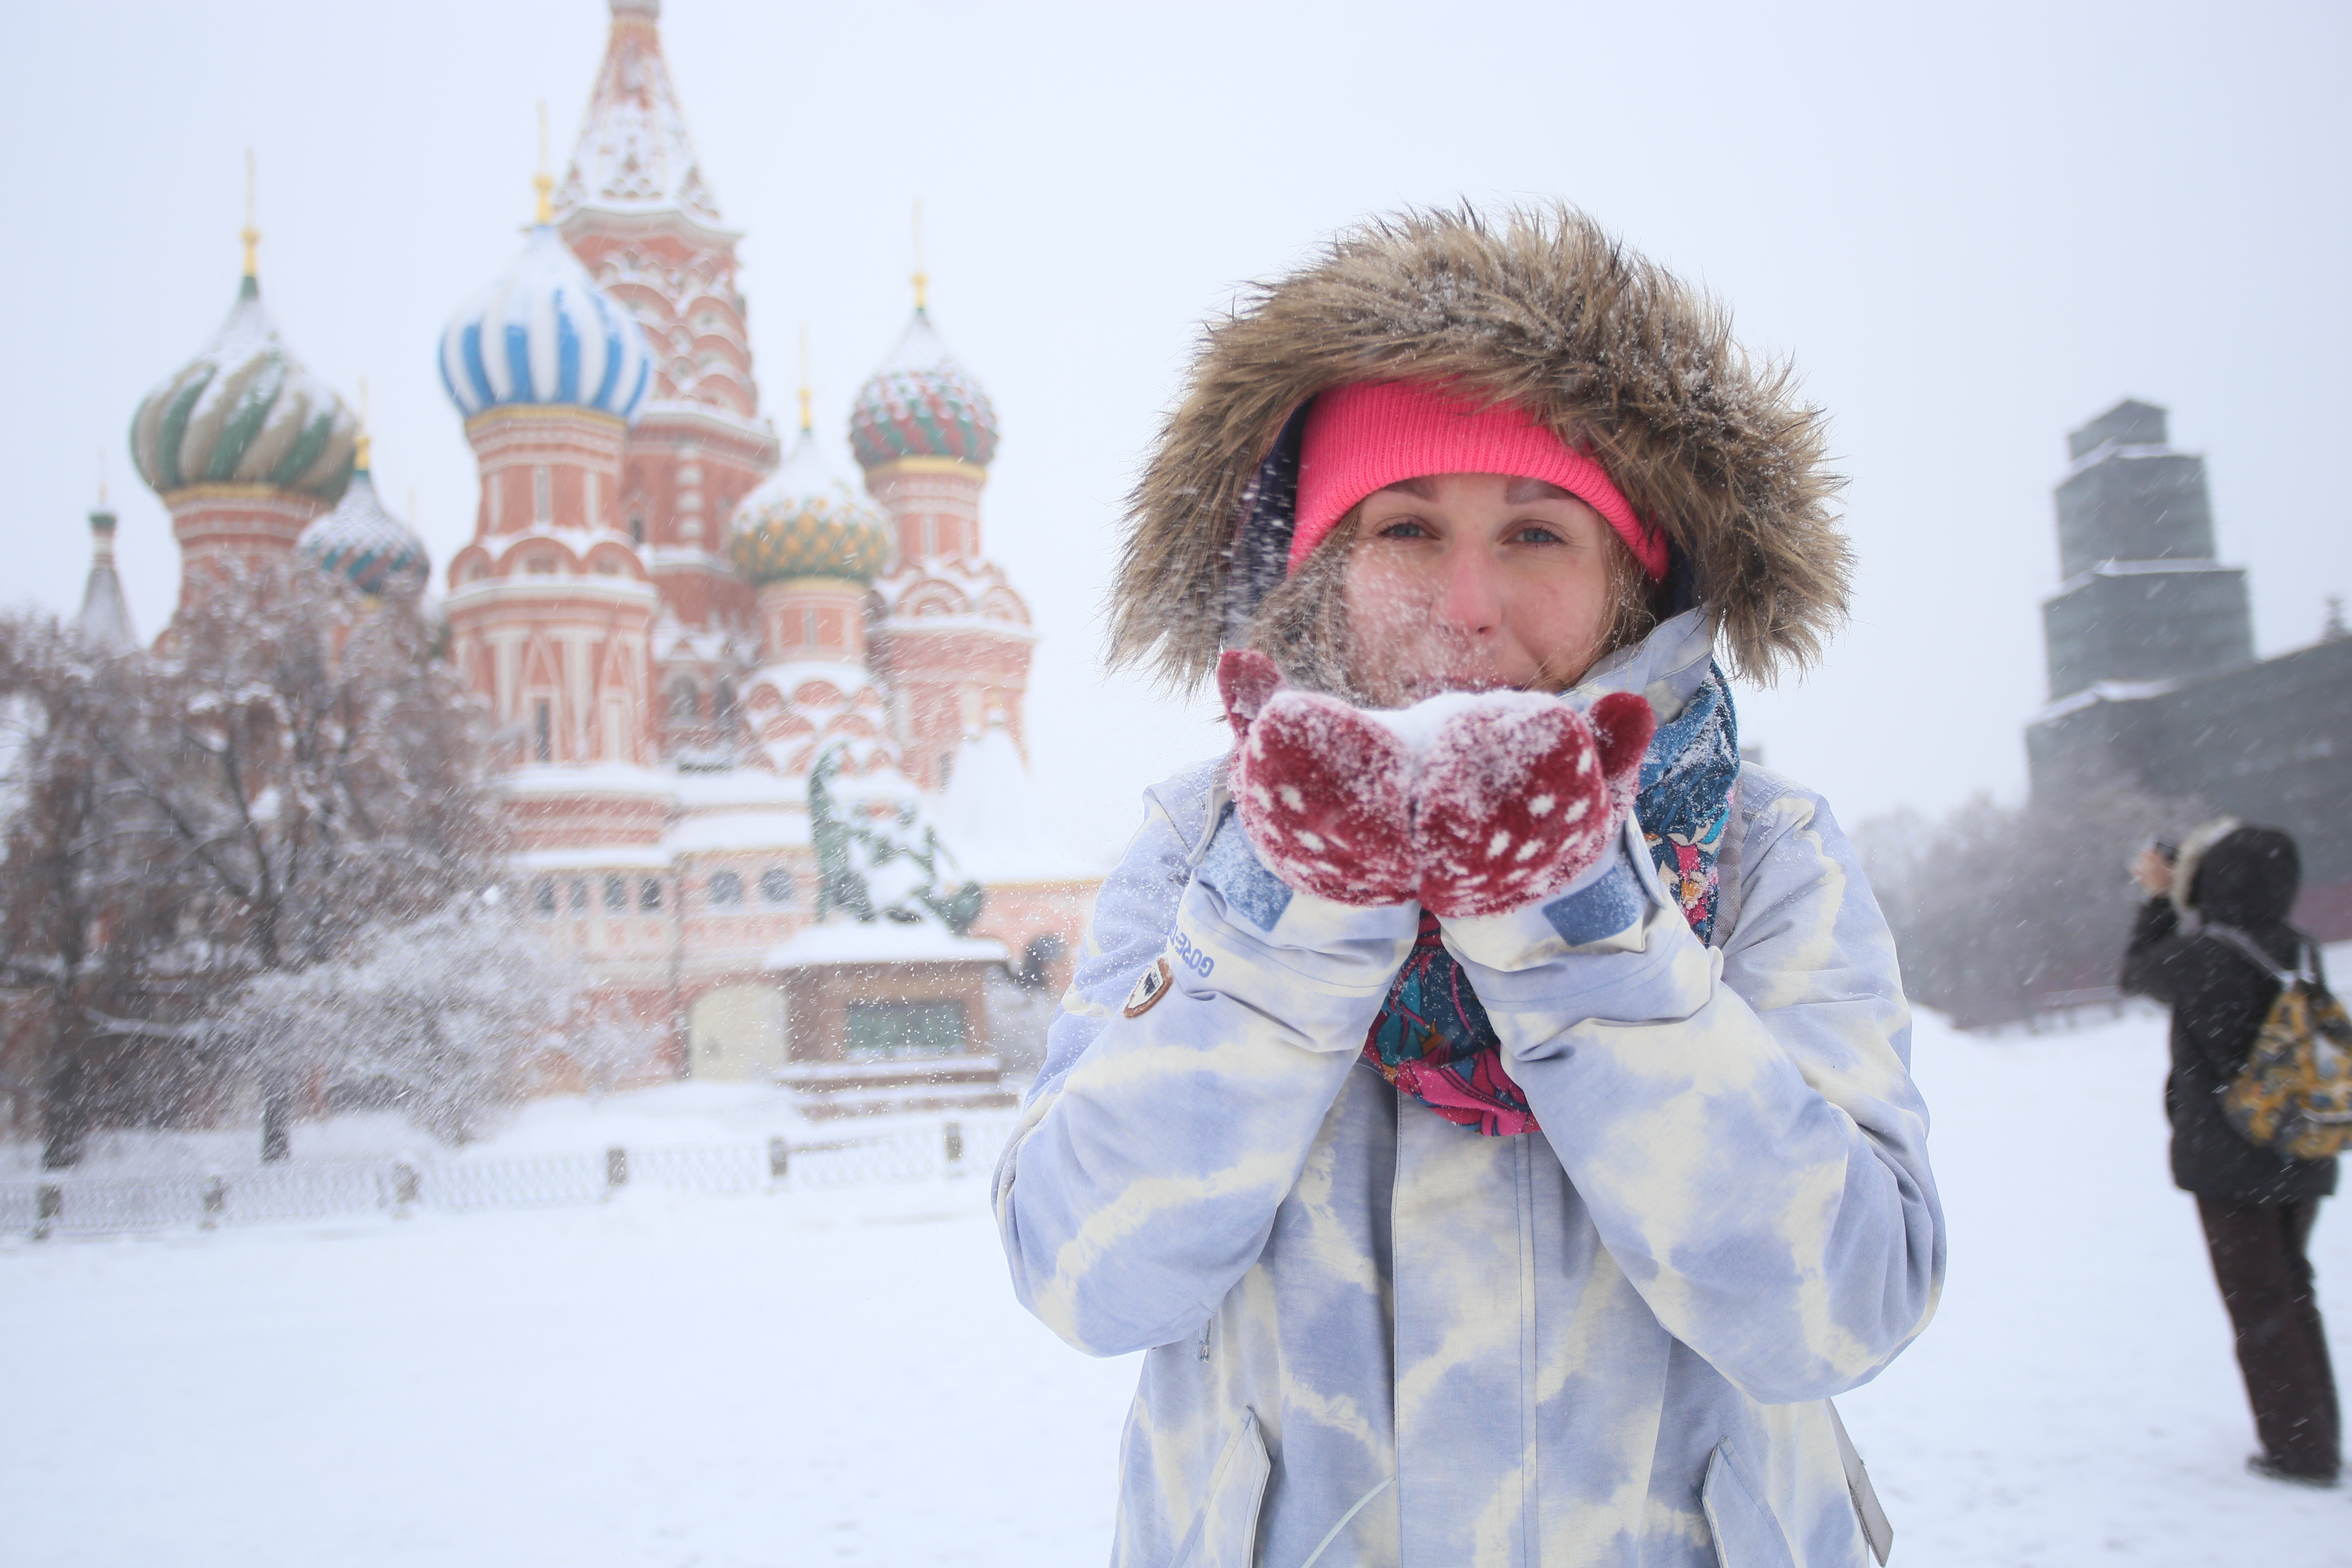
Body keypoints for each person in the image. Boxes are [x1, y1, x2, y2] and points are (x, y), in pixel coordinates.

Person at [993, 207, 1944, 1567]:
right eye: (1406, 527)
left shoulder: (1760, 854)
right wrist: (1297, 907)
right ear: (1322, 573)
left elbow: (1839, 1305)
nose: (1469, 603)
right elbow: (1086, 1271)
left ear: (1634, 575)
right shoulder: (1201, 848)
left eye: (1540, 534)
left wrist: (1577, 914)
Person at [2122, 819, 2341, 1487]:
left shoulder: (2204, 954)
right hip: (2301, 1143)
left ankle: (2300, 1453)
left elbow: (2137, 973)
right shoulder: (2297, 948)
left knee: (2261, 1306)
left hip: (2231, 1160)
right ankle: (2317, 1433)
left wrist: (2158, 899)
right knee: (2294, 1291)